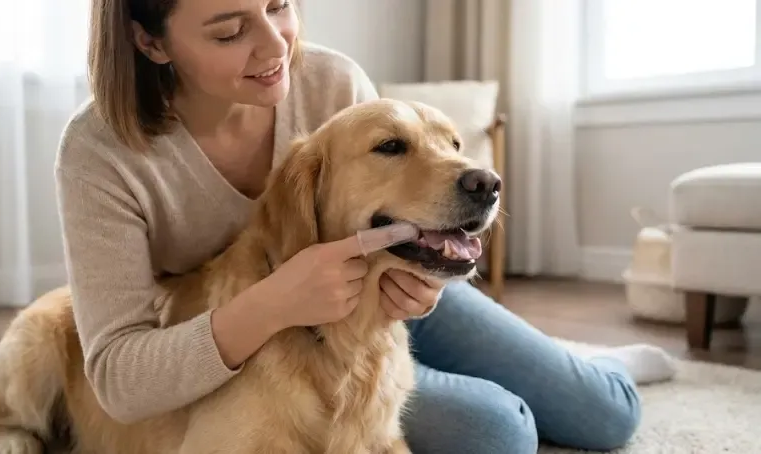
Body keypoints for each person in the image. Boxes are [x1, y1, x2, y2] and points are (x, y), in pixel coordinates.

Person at [56, 0, 675, 452]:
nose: (276, 48)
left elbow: (404, 206)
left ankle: (587, 367)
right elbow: (116, 376)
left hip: (379, 291)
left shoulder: (332, 81)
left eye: (279, 6)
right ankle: (535, 370)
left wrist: (421, 283)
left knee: (606, 413)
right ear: (151, 42)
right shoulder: (100, 153)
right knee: (499, 430)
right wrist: (275, 303)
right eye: (230, 31)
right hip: (248, 318)